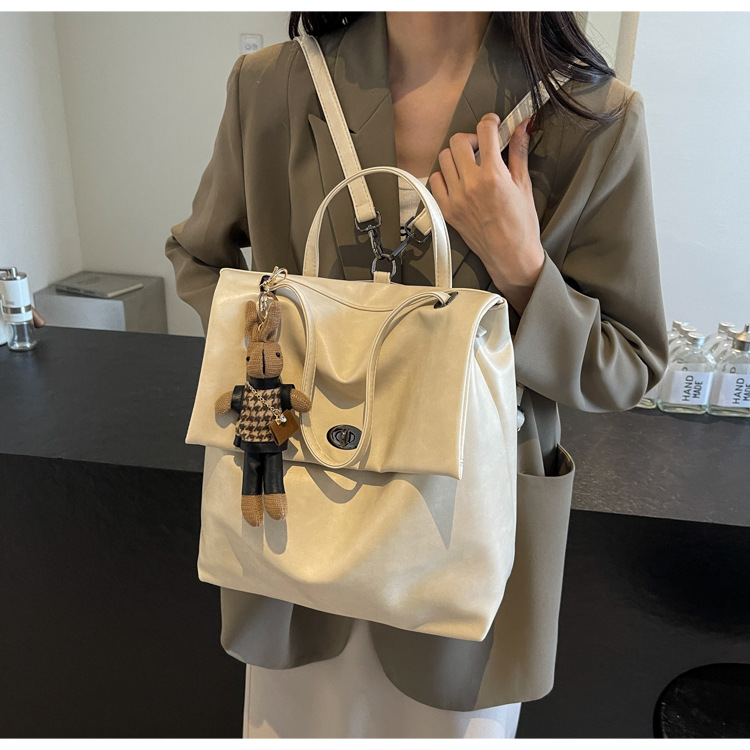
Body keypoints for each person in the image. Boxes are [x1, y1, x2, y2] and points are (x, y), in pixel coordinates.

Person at [166, 11, 669, 739]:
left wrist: (523, 270)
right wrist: (270, 353)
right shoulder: (273, 85)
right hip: (294, 536)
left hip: (465, 547)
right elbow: (198, 257)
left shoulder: (590, 117)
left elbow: (629, 362)